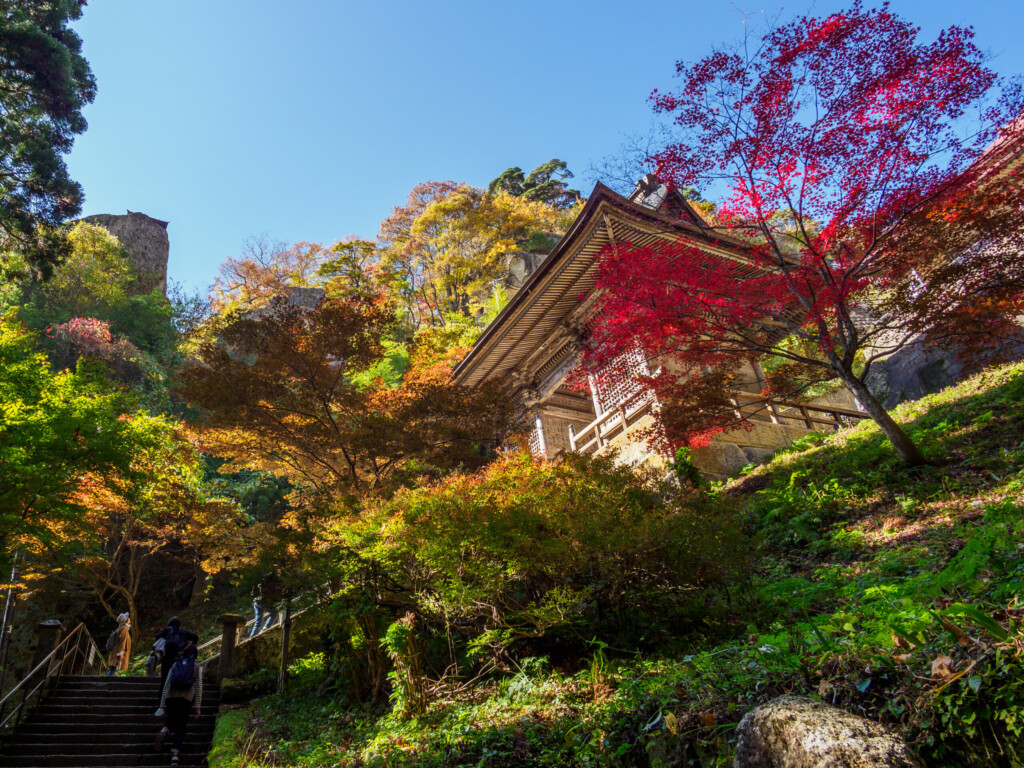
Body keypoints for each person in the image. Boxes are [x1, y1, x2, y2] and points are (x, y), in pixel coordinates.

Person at [154, 641, 202, 767]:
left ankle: (163, 732)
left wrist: (162, 704)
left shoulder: (176, 664)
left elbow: (167, 683)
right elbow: (198, 687)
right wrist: (197, 707)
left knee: (170, 721)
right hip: (186, 698)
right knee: (181, 725)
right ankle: (175, 756)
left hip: (171, 696)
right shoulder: (196, 666)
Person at [154, 617, 198, 688]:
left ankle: (162, 696)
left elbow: (157, 636)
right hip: (179, 658)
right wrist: (190, 647)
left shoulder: (166, 631)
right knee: (177, 676)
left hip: (166, 657)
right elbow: (195, 637)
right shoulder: (183, 632)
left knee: (164, 679)